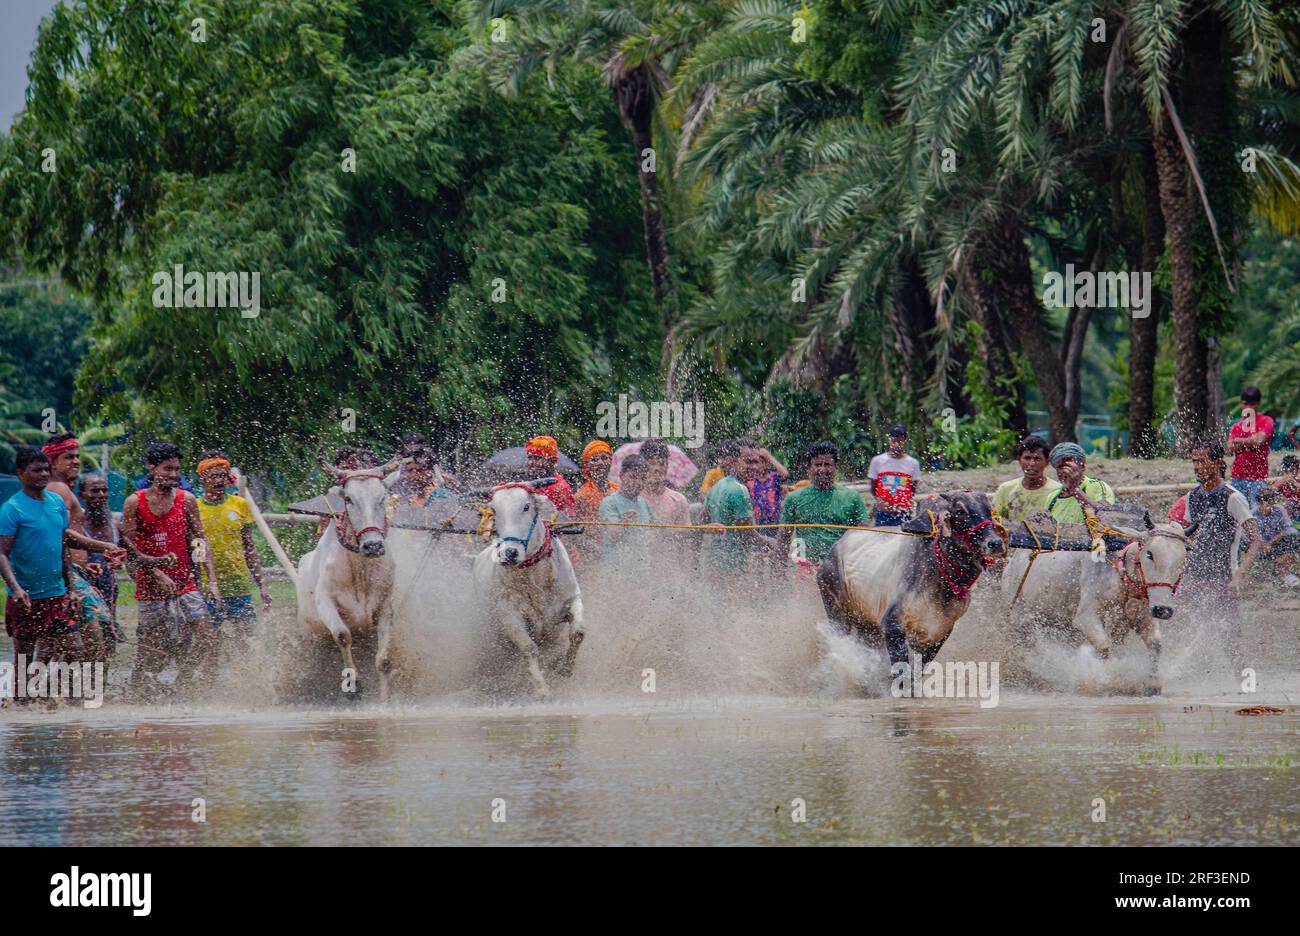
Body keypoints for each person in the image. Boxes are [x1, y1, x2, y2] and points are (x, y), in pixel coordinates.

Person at [121, 441, 221, 700]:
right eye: (167, 469)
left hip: (185, 582)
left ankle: (181, 684)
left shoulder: (186, 500)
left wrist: (209, 579)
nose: (174, 475)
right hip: (150, 585)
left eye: (177, 469)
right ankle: (136, 691)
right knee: (151, 650)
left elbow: (199, 541)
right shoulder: (135, 502)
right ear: (151, 468)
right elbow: (128, 548)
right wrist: (156, 571)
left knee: (207, 635)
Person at [0, 447, 80, 695]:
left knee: (73, 647)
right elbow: (1, 553)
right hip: (26, 597)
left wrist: (73, 588)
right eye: (36, 470)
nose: (43, 474)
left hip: (57, 593)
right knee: (23, 658)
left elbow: (63, 547)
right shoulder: (12, 509)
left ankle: (46, 695)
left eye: (46, 469)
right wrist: (16, 589)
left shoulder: (56, 502)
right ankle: (20, 709)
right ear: (21, 474)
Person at [42, 434, 126, 668]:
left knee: (56, 639)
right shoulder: (57, 489)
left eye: (77, 456)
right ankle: (81, 694)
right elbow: (60, 536)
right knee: (95, 635)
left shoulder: (61, 490)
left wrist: (82, 564)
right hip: (67, 575)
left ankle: (41, 693)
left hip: (76, 572)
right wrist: (104, 547)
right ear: (53, 462)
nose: (76, 461)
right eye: (68, 457)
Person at [1167, 437, 1264, 635]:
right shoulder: (1192, 497)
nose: (1197, 466)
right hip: (1193, 576)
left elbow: (1255, 540)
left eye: (1203, 461)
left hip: (1223, 578)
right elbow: (1191, 537)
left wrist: (1239, 575)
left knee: (1229, 640)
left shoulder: (1233, 497)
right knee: (1178, 628)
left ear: (1218, 463)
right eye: (1195, 461)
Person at [194, 451, 272, 657]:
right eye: (214, 476)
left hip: (238, 585)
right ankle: (209, 684)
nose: (219, 481)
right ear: (202, 480)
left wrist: (261, 584)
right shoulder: (194, 507)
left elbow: (249, 546)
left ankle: (247, 683)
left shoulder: (239, 505)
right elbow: (196, 547)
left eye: (223, 475)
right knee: (210, 644)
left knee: (246, 642)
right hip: (206, 588)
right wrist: (202, 580)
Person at [776, 440, 869, 566]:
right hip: (805, 567)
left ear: (835, 467)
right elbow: (784, 538)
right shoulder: (794, 498)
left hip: (841, 567)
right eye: (818, 464)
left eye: (827, 464)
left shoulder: (852, 497)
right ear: (809, 468)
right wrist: (779, 571)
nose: (823, 469)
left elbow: (864, 537)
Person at [702, 439, 777, 573]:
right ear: (734, 462)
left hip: (712, 562)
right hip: (731, 565)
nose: (754, 467)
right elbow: (747, 534)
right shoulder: (739, 490)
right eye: (748, 462)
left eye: (756, 461)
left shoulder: (717, 486)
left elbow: (702, 522)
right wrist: (771, 542)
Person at [598, 454, 655, 560]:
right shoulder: (609, 503)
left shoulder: (645, 504)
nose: (638, 482)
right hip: (616, 570)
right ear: (622, 475)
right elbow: (613, 535)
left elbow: (654, 532)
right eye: (633, 477)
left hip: (642, 568)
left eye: (642, 478)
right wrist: (625, 522)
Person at [1226, 385, 1274, 509]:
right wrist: (1249, 442)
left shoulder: (1266, 420)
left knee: (1258, 513)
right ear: (1241, 404)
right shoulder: (1236, 426)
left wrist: (1238, 441)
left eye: (1252, 404)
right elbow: (1229, 450)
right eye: (1246, 404)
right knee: (1237, 513)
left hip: (1258, 478)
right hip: (1237, 477)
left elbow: (1259, 440)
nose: (1249, 407)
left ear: (1258, 404)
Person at [992, 435, 1061, 521]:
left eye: (1037, 459)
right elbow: (994, 521)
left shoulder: (1057, 492)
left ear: (1047, 462)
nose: (1032, 463)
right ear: (1019, 460)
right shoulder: (1006, 489)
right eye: (1027, 458)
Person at [1045, 442, 1116, 524]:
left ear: (1082, 467)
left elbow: (1108, 515)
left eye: (1070, 466)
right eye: (1060, 467)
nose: (1066, 471)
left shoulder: (1097, 486)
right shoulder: (1052, 497)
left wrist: (1075, 489)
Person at [573, 440, 618, 561]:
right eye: (594, 460)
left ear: (610, 462)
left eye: (604, 458)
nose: (600, 463)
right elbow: (578, 533)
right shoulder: (582, 495)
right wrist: (598, 551)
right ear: (587, 466)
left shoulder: (618, 490)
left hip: (618, 551)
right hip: (592, 556)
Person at [867, 424, 921, 526]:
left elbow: (912, 489)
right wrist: (886, 502)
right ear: (889, 440)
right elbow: (874, 488)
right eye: (894, 441)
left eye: (900, 441)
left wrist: (899, 503)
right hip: (883, 513)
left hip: (903, 513)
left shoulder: (913, 463)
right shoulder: (877, 461)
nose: (896, 444)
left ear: (905, 441)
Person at [1252, 487, 1300, 586]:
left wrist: (1269, 543)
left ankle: (1283, 572)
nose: (1270, 506)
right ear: (1259, 503)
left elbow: (1286, 529)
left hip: (1276, 542)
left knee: (1294, 535)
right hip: (1259, 545)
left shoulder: (1279, 510)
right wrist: (1262, 545)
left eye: (1272, 503)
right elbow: (1252, 533)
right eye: (1267, 504)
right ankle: (1269, 570)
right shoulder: (1253, 514)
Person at [639, 439, 690, 526]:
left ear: (667, 466)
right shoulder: (632, 498)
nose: (657, 469)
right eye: (651, 463)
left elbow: (686, 535)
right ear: (642, 466)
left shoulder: (678, 500)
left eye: (662, 464)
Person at [524, 435, 575, 516]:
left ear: (551, 461)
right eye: (530, 458)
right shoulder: (530, 485)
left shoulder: (560, 488)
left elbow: (567, 523)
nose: (531, 462)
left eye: (537, 458)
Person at [748, 446, 790, 526]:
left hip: (775, 520)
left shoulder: (774, 478)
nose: (757, 465)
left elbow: (785, 475)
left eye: (761, 462)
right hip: (759, 521)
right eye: (755, 462)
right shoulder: (751, 481)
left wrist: (770, 457)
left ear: (767, 464)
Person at [1272, 454, 1300, 524]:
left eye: (1292, 470)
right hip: (1286, 515)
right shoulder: (1281, 482)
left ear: (1298, 470)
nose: (1290, 474)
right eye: (1287, 471)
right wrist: (1277, 486)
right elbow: (1269, 493)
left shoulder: (1298, 481)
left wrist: (1296, 485)